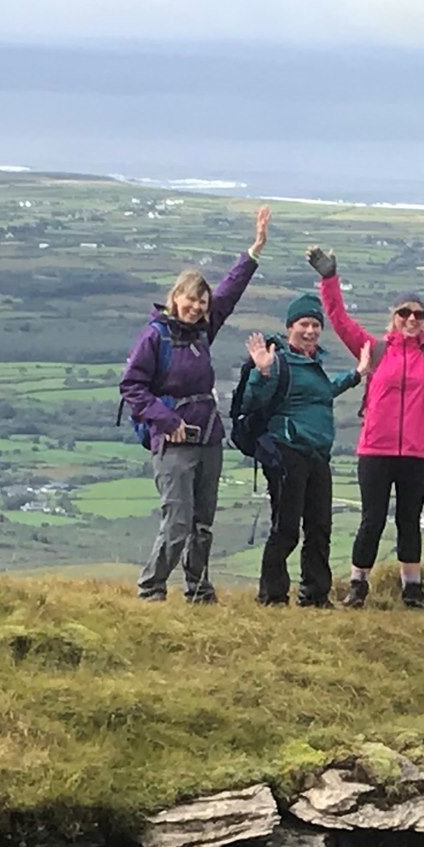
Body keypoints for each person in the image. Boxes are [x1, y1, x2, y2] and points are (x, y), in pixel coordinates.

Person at [308, 244, 424, 610]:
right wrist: (329, 279)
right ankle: (358, 588)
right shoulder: (373, 349)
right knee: (371, 519)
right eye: (404, 313)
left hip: (417, 452)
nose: (412, 319)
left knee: (410, 520)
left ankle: (412, 590)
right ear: (394, 317)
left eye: (418, 314)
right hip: (375, 450)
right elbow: (339, 318)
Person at [120, 204, 269, 603]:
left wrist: (253, 252)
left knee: (203, 522)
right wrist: (166, 421)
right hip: (173, 443)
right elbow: (131, 386)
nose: (198, 306)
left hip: (208, 438)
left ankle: (198, 590)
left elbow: (229, 292)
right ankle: (151, 588)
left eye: (202, 301)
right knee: (179, 521)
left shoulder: (203, 330)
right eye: (191, 299)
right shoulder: (155, 337)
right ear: (175, 298)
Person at [243, 292, 373, 607]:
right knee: (286, 527)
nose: (311, 330)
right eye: (304, 323)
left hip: (316, 455)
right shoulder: (278, 361)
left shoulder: (312, 362)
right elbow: (251, 401)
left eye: (315, 324)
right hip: (287, 452)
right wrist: (260, 373)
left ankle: (315, 594)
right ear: (290, 327)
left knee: (319, 527)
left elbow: (322, 393)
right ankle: (272, 595)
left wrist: (357, 375)